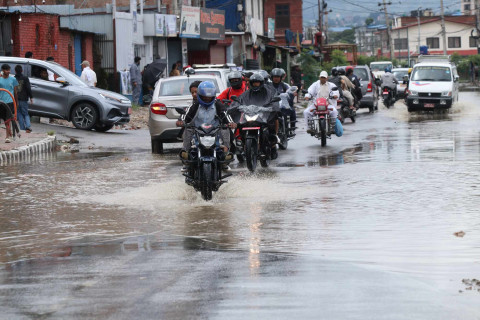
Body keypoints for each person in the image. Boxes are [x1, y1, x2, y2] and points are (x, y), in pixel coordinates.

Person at [177, 81, 235, 160]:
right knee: (188, 129)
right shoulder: (195, 105)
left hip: (214, 131)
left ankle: (226, 152)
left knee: (225, 129)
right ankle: (186, 152)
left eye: (209, 97)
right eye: (204, 97)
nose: (207, 99)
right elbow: (185, 114)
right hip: (197, 130)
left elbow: (226, 114)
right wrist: (181, 121)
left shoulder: (218, 104)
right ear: (200, 96)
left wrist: (231, 123)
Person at [234, 73, 281, 159]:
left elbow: (274, 100)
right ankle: (243, 144)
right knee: (240, 125)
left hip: (263, 113)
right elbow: (239, 101)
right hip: (251, 114)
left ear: (261, 83)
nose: (255, 84)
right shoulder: (246, 93)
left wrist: (273, 107)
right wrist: (236, 105)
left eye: (257, 83)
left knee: (273, 119)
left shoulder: (268, 92)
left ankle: (273, 144)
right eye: (253, 82)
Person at [304, 70, 339, 135]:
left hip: (328, 104)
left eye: (324, 77)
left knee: (334, 111)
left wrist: (335, 95)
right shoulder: (315, 85)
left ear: (327, 78)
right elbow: (309, 92)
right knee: (306, 112)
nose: (323, 79)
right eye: (322, 77)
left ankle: (333, 127)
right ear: (319, 77)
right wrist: (307, 96)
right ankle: (309, 128)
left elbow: (335, 92)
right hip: (316, 104)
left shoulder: (331, 85)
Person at [0, 64, 19, 143]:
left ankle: (7, 137)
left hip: (10, 102)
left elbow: (15, 92)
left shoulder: (13, 79)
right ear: (3, 70)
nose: (8, 72)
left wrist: (16, 103)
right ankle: (9, 133)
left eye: (9, 70)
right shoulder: (0, 79)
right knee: (3, 119)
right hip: (1, 102)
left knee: (8, 120)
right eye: (6, 70)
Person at [14, 65, 33, 133]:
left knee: (19, 113)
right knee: (25, 113)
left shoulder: (13, 78)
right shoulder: (25, 78)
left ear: (15, 71)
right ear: (22, 70)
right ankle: (28, 126)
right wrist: (31, 97)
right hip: (24, 98)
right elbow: (28, 88)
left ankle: (22, 128)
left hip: (16, 99)